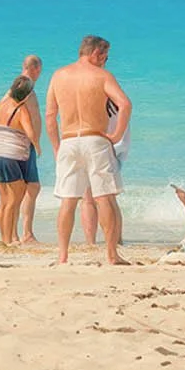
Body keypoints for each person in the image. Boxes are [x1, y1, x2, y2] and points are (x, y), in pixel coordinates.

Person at [46, 35, 132, 266]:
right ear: (95, 53)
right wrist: (116, 136)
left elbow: (50, 117)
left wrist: (56, 147)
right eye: (105, 56)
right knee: (104, 198)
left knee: (68, 200)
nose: (106, 61)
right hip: (95, 139)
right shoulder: (102, 76)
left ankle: (62, 256)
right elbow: (125, 104)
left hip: (69, 140)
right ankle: (112, 255)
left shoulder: (58, 75)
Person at [0, 74, 40, 247]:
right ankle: (9, 240)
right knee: (14, 200)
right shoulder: (21, 109)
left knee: (3, 200)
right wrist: (37, 146)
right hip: (12, 157)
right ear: (26, 94)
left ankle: (4, 238)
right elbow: (30, 132)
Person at [13, 54, 46, 243]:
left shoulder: (23, 84)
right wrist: (33, 140)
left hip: (25, 143)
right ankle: (24, 233)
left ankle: (22, 232)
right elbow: (12, 107)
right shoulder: (23, 86)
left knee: (29, 188)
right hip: (24, 143)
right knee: (30, 188)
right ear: (36, 68)